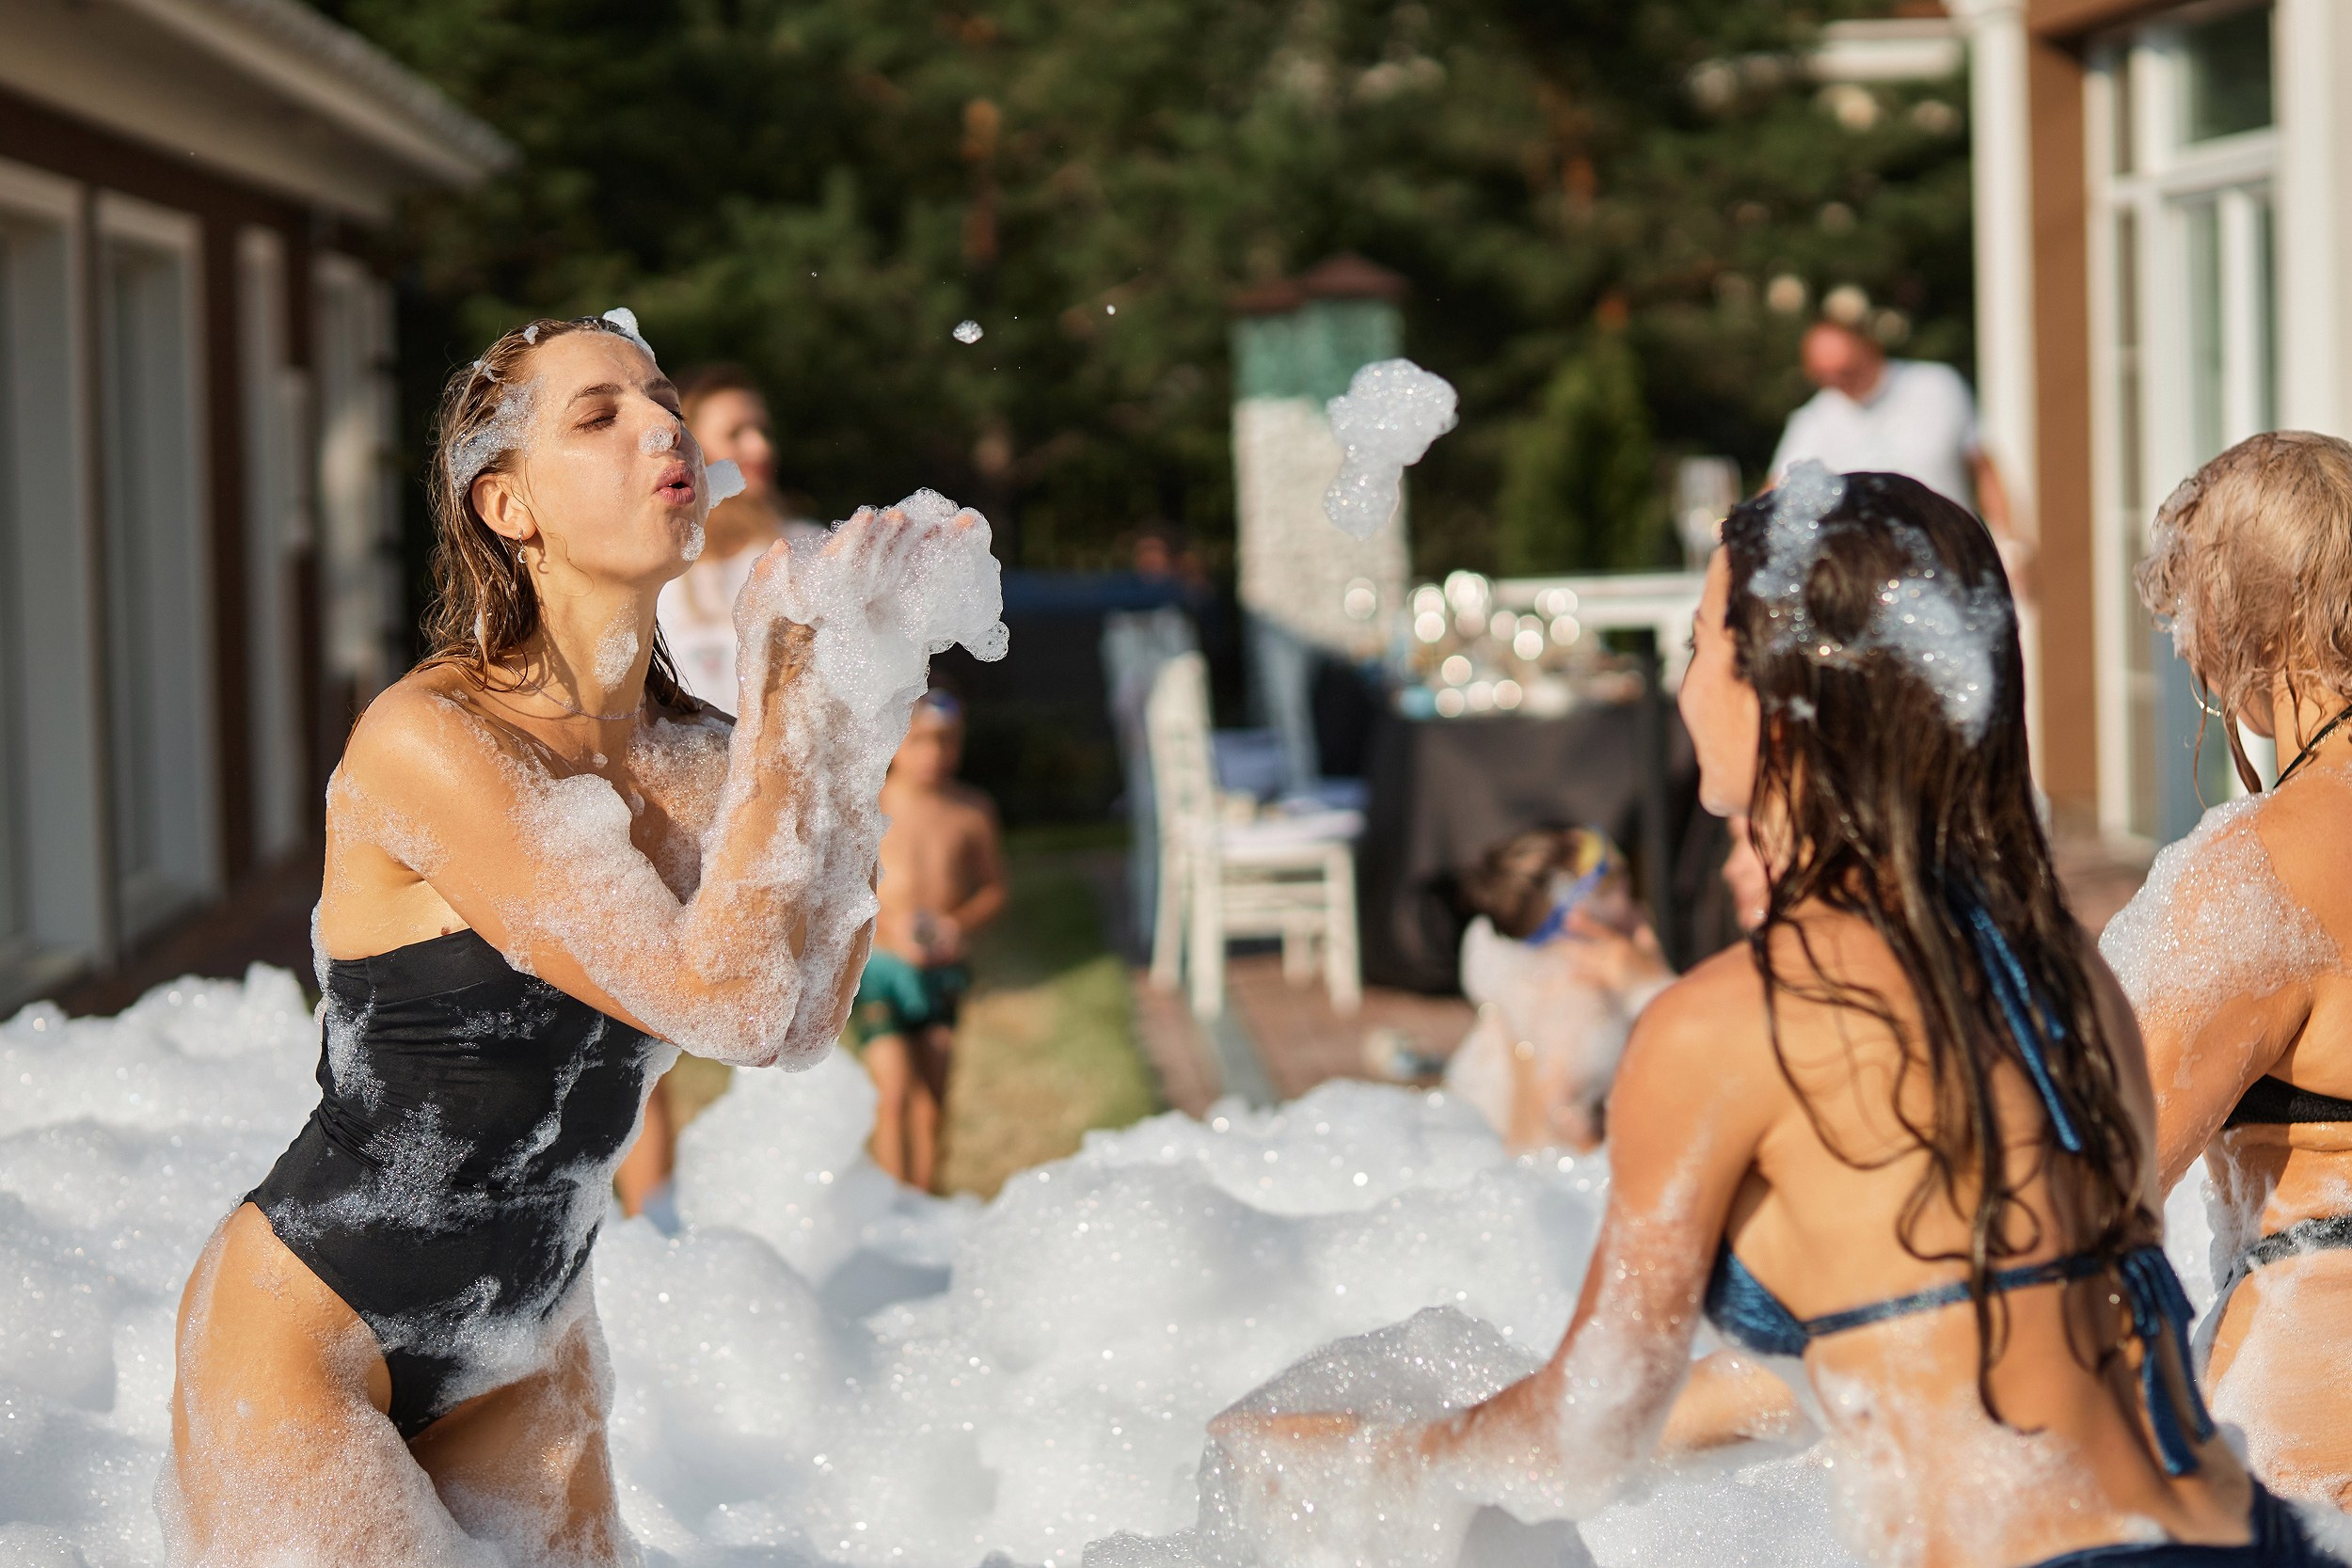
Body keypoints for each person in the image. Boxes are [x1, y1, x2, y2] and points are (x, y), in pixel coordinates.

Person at [1217, 467, 2311, 1567]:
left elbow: (1583, 1436)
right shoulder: (2061, 979)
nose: (1682, 689)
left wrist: (1365, 1460)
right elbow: (1980, 1349)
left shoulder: (1728, 1025)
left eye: (1698, 646)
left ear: (1779, 696)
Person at [164, 313, 966, 1563]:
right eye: (599, 414)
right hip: (315, 1333)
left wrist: (845, 714)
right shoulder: (434, 741)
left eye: (662, 399)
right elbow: (730, 1002)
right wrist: (791, 683)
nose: (663, 426)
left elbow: (802, 1020)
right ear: (507, 504)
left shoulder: (699, 761)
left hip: (528, 1339)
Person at [2109, 430, 2352, 1508]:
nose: (2178, 650)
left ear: (2237, 620)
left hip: (2311, 1461)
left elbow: (2071, 1212)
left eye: (2182, 618)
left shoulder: (2250, 876)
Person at [615, 364, 823, 1222]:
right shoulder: (649, 564)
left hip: (773, 826)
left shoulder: (804, 553)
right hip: (669, 819)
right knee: (632, 1040)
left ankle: (795, 1224)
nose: (759, 449)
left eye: (763, 430)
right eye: (735, 433)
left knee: (788, 1040)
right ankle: (652, 1227)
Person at [848, 690, 1006, 1188]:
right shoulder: (870, 802)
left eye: (946, 743)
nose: (933, 756)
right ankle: (893, 1199)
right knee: (893, 1095)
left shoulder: (971, 811)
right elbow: (847, 884)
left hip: (940, 969)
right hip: (884, 968)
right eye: (919, 742)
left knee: (932, 1100)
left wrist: (958, 925)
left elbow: (995, 887)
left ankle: (923, 1196)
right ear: (894, 742)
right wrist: (893, 928)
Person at [1772, 318, 2030, 594]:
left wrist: (2008, 545)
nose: (1836, 382)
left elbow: (1983, 468)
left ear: (1870, 348)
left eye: (1845, 370)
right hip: (1866, 590)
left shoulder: (1937, 388)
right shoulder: (1812, 421)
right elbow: (1776, 496)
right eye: (1824, 375)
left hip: (1953, 571)